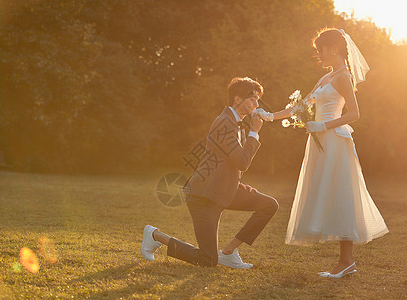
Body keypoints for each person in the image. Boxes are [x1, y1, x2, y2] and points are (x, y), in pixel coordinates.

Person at [254, 28, 388, 278]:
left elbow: (354, 114)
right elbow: (303, 105)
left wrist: (323, 125)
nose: (318, 55)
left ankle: (346, 261)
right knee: (328, 194)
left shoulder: (343, 77)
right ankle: (345, 262)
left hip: (334, 140)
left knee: (340, 195)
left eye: (321, 50)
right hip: (319, 142)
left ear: (335, 48)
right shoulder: (326, 77)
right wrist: (270, 116)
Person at [141, 77, 279, 268]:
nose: (257, 104)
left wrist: (237, 181)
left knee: (269, 205)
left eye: (257, 99)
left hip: (225, 190)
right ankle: (155, 236)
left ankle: (229, 252)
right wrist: (254, 133)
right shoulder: (224, 123)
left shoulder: (235, 122)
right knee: (207, 261)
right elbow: (241, 162)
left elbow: (228, 162)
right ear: (238, 99)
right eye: (253, 99)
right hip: (204, 197)